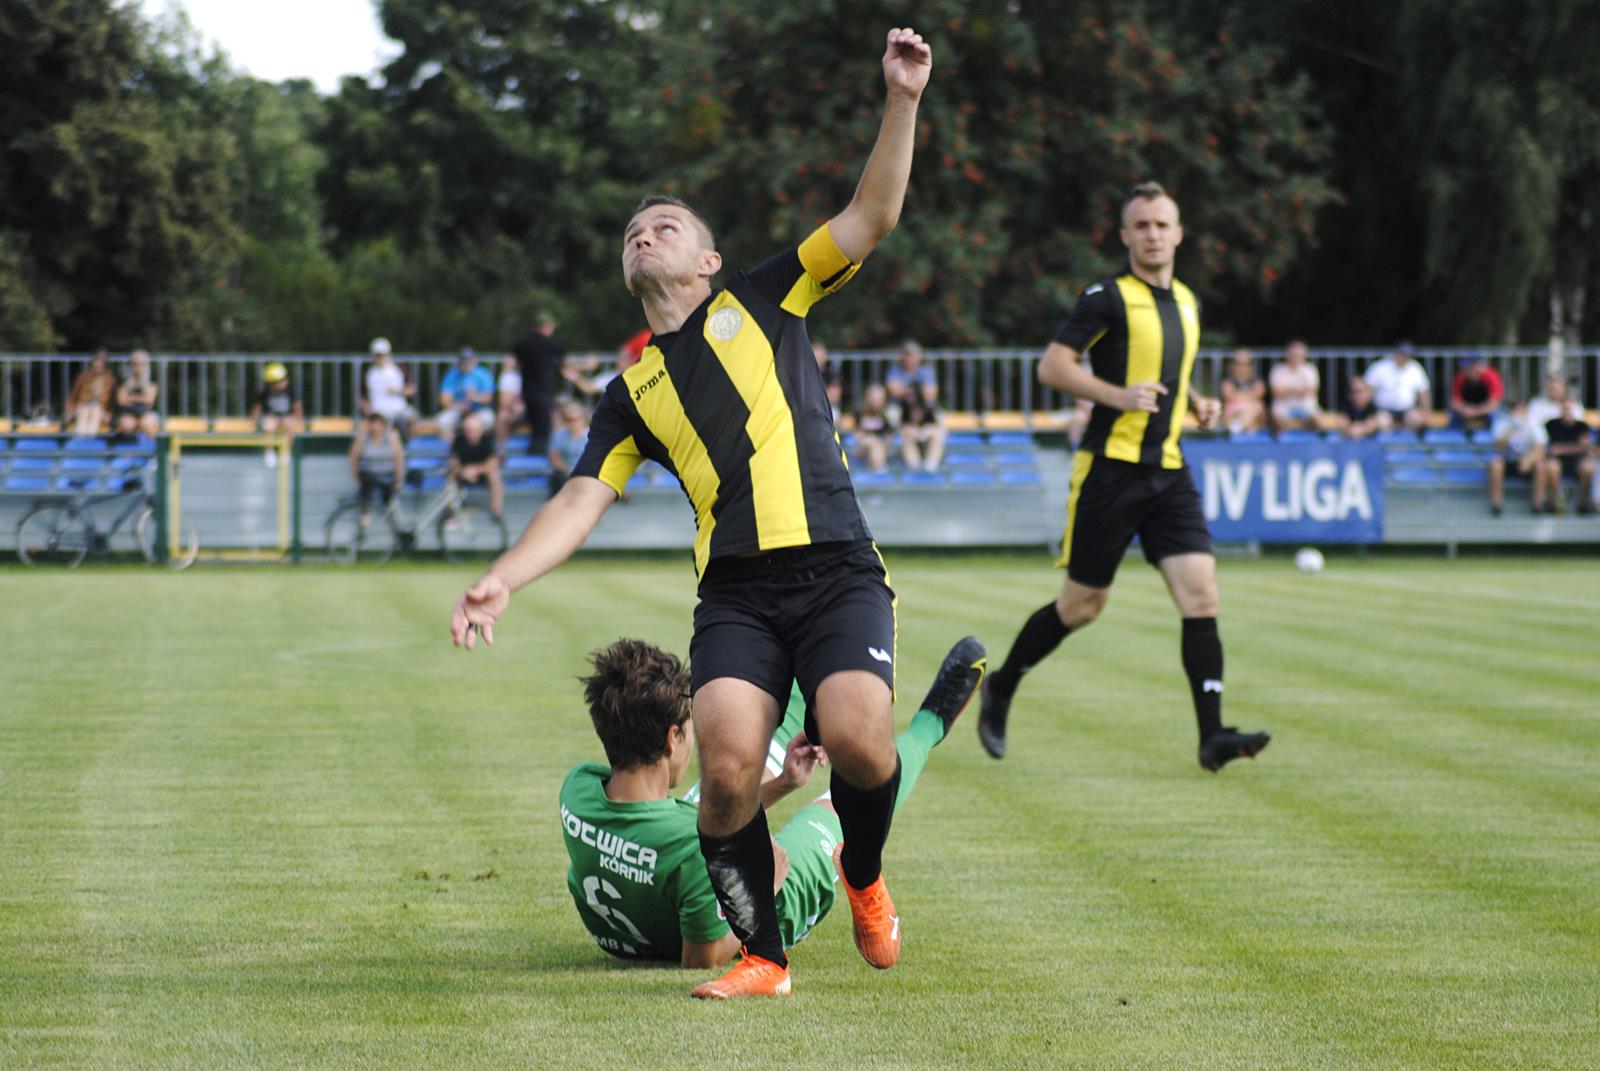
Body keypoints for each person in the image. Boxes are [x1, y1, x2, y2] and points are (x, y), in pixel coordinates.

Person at [450, 27, 935, 1001]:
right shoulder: (629, 390)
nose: (643, 234)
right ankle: (763, 960)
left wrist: (902, 99)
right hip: (738, 595)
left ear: (708, 258)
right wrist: (503, 575)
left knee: (857, 741)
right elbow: (581, 497)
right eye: (633, 232)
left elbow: (872, 214)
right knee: (720, 773)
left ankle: (865, 875)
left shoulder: (764, 295)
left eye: (664, 226)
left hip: (836, 564)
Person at [976, 181, 1271, 774]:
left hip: (1169, 472)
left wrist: (1197, 404)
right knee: (1083, 605)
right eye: (1142, 226)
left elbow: (1168, 374)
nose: (1154, 235)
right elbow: (1053, 366)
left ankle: (1212, 737)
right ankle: (1002, 684)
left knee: (1202, 595)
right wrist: (1117, 395)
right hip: (1110, 472)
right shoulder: (1107, 297)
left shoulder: (1186, 301)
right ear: (1126, 236)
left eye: (1163, 224)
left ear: (1179, 232)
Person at [561, 635, 985, 975]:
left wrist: (782, 784)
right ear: (673, 738)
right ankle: (930, 725)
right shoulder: (687, 846)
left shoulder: (578, 790)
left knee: (722, 792)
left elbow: (685, 830)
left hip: (651, 902)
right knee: (842, 804)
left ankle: (806, 667)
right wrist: (769, 885)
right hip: (771, 904)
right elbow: (702, 958)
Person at [510, 314, 566, 455]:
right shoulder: (552, 345)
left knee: (532, 425)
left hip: (528, 392)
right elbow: (563, 360)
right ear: (546, 327)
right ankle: (539, 455)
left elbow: (514, 359)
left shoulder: (523, 345)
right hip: (544, 391)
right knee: (543, 428)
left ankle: (533, 455)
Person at [1487, 396, 1548, 515]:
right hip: (1508, 461)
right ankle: (1496, 505)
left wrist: (1528, 460)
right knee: (1495, 465)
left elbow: (1540, 449)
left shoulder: (1534, 425)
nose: (1519, 412)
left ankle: (1537, 505)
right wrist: (1513, 428)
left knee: (1540, 466)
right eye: (1516, 409)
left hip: (1527, 462)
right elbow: (1499, 447)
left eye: (1522, 409)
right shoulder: (1502, 423)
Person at [348, 410, 406, 524]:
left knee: (389, 490)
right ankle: (364, 517)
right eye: (373, 422)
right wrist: (355, 476)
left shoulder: (392, 437)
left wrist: (400, 477)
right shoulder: (362, 438)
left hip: (387, 473)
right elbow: (353, 457)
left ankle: (388, 517)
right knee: (366, 486)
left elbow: (399, 458)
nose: (375, 426)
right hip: (369, 473)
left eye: (379, 423)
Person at [1540, 397, 1595, 514]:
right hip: (1558, 461)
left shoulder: (1582, 425)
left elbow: (1586, 448)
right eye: (1564, 407)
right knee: (1551, 466)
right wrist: (1576, 447)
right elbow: (1552, 449)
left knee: (1588, 467)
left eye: (1569, 408)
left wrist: (1563, 449)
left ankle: (1583, 504)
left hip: (1577, 461)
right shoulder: (1552, 424)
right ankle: (1553, 503)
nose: (1567, 410)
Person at [1364, 342, 1432, 431]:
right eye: (1402, 354)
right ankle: (1386, 444)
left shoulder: (1415, 368)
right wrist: (1366, 413)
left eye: (1407, 355)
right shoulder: (1380, 367)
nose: (1404, 357)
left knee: (1416, 419)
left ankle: (1408, 443)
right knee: (1382, 422)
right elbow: (1367, 390)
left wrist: (1426, 413)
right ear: (1396, 353)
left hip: (1407, 410)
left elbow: (1424, 393)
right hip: (1383, 410)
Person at [448, 411, 503, 519]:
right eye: (468, 431)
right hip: (463, 473)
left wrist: (476, 470)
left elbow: (493, 463)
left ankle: (496, 511)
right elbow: (453, 462)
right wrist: (463, 471)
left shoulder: (488, 441)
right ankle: (451, 512)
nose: (470, 433)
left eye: (473, 431)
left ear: (481, 430)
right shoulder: (458, 441)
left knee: (494, 476)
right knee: (450, 478)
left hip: (482, 473)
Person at [252, 362, 304, 465]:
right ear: (271, 383)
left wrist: (299, 419)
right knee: (268, 425)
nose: (283, 382)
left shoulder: (290, 391)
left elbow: (297, 406)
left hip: (286, 416)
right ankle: (269, 453)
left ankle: (286, 452)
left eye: (283, 380)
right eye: (279, 381)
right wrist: (254, 421)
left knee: (289, 425)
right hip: (272, 417)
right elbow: (257, 407)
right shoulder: (265, 392)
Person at [361, 337, 416, 435]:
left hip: (400, 410)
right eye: (378, 355)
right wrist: (369, 412)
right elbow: (362, 398)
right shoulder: (368, 373)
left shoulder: (399, 369)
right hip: (378, 413)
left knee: (412, 420)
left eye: (383, 354)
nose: (381, 358)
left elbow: (412, 389)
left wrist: (398, 391)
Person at [1268, 339, 1321, 430]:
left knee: (1316, 420)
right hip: (1283, 406)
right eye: (1293, 354)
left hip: (1306, 406)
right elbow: (1276, 393)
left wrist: (1287, 391)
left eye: (1298, 354)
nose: (1295, 357)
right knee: (1275, 420)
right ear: (1287, 354)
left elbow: (1311, 391)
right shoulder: (1278, 370)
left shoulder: (1310, 370)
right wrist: (1299, 390)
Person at [884, 339, 936, 424]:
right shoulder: (895, 370)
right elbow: (893, 391)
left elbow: (931, 394)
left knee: (939, 419)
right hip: (899, 406)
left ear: (919, 356)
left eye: (913, 355)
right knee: (891, 415)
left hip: (923, 407)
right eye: (907, 355)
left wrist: (907, 392)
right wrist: (917, 392)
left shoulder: (926, 371)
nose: (910, 358)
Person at [898, 379, 946, 471]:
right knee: (907, 438)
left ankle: (931, 465)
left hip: (927, 442)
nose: (909, 397)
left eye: (911, 394)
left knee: (937, 436)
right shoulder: (902, 409)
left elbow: (940, 428)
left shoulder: (930, 408)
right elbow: (899, 429)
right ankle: (915, 468)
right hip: (910, 444)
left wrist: (925, 432)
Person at [545, 400, 590, 495]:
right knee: (558, 476)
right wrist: (567, 471)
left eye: (575, 419)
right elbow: (554, 457)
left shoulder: (593, 436)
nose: (572, 422)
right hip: (565, 472)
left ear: (583, 419)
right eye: (568, 419)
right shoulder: (558, 435)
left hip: (586, 472)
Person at [67, 349, 116, 435]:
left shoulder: (110, 380)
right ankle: (80, 437)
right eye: (96, 362)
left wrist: (109, 415)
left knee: (95, 409)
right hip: (82, 408)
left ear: (105, 365)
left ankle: (89, 439)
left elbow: (112, 402)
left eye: (100, 363)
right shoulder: (83, 377)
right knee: (85, 410)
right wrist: (69, 411)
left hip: (100, 411)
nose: (97, 365)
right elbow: (73, 397)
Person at [113, 349, 160, 438]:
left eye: (140, 364)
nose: (137, 367)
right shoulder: (123, 381)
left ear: (146, 365)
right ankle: (127, 450)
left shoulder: (151, 381)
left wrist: (130, 398)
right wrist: (141, 398)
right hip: (127, 413)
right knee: (126, 424)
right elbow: (121, 401)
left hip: (146, 413)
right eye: (134, 364)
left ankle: (150, 449)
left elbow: (150, 401)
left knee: (148, 423)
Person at [1449, 355, 1503, 431]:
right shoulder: (1461, 378)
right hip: (1466, 410)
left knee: (1496, 416)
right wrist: (1464, 410)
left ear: (1478, 366)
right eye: (1465, 368)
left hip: (1485, 411)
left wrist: (1475, 411)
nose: (1465, 370)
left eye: (1469, 367)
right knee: (1453, 416)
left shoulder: (1491, 376)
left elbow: (1494, 404)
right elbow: (1455, 403)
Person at [1219, 347, 1265, 434]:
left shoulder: (1256, 380)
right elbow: (1228, 395)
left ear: (1250, 365)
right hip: (1234, 411)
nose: (1242, 367)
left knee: (1257, 407)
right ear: (1233, 365)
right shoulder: (1228, 380)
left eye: (1245, 364)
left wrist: (1238, 396)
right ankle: (1244, 426)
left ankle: (1238, 426)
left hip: (1252, 410)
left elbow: (1259, 393)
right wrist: (1248, 396)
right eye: (1238, 364)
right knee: (1255, 408)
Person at [851, 383, 893, 473]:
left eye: (879, 399)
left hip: (880, 449)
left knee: (876, 443)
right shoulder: (858, 415)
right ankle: (880, 469)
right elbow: (855, 436)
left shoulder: (885, 418)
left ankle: (879, 468)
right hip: (861, 449)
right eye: (874, 398)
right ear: (868, 398)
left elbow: (889, 438)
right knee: (873, 442)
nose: (876, 401)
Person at [1338, 375, 1388, 440]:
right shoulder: (1344, 408)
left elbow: (1382, 422)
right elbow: (1339, 423)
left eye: (1360, 391)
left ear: (1369, 392)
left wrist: (1361, 429)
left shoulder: (1375, 409)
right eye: (1353, 391)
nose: (1357, 395)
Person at [495, 355, 526, 450]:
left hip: (532, 410)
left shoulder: (536, 375)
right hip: (515, 410)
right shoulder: (508, 377)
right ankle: (501, 451)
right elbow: (504, 402)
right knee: (502, 416)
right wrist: (514, 407)